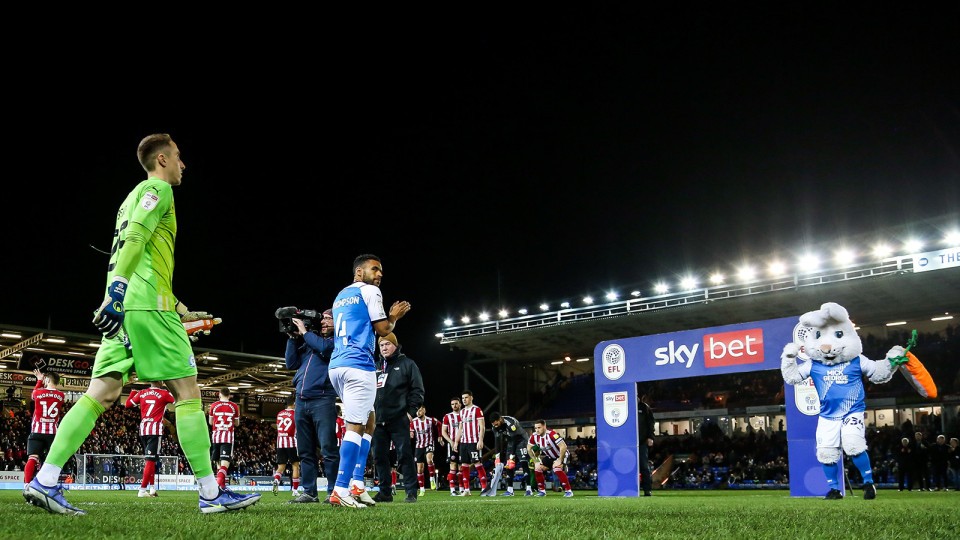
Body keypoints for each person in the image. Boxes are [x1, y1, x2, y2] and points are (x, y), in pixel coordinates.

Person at [23, 134, 259, 516]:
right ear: (162, 159)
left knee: (99, 394)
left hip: (130, 309)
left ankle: (45, 479)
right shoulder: (158, 189)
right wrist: (118, 291)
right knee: (188, 393)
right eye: (179, 157)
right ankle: (210, 493)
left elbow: (142, 257)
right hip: (147, 307)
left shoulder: (128, 200)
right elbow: (136, 238)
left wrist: (179, 309)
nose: (183, 164)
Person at [328, 254, 411, 509]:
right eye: (375, 269)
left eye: (381, 270)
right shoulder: (370, 291)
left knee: (369, 420)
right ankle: (341, 489)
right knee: (355, 425)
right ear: (359, 272)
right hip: (358, 365)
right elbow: (383, 329)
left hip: (337, 365)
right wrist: (394, 316)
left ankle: (357, 484)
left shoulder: (341, 295)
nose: (379, 274)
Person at [284, 310, 339, 505]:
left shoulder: (338, 341)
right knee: (305, 451)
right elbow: (291, 363)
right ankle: (309, 492)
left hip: (322, 399)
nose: (323, 322)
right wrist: (292, 339)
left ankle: (334, 491)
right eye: (322, 318)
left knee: (328, 449)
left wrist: (305, 332)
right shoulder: (311, 342)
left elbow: (324, 348)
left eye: (328, 318)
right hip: (301, 400)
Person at [371, 332, 424, 503]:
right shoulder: (376, 366)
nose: (384, 348)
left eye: (387, 344)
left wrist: (410, 413)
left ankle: (411, 491)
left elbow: (418, 390)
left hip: (399, 418)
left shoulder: (407, 364)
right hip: (378, 419)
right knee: (379, 457)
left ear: (395, 345)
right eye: (381, 345)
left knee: (404, 455)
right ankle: (385, 492)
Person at [124, 381, 176, 497]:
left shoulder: (142, 393)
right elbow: (177, 401)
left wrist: (133, 392)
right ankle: (142, 491)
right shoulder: (164, 393)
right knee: (150, 460)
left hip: (143, 430)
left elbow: (127, 405)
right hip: (155, 431)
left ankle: (152, 489)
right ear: (160, 382)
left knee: (150, 460)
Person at [23, 369, 64, 485]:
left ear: (47, 380)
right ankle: (48, 485)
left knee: (32, 458)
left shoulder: (38, 392)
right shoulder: (61, 395)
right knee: (51, 462)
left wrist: (39, 380)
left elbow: (33, 396)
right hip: (52, 434)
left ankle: (27, 485)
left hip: (37, 432)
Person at [485, 411, 531, 496]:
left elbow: (514, 438)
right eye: (494, 425)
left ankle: (529, 489)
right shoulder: (494, 426)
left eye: (496, 424)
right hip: (510, 442)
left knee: (524, 463)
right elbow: (497, 441)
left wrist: (511, 457)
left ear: (500, 419)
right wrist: (497, 457)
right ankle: (510, 490)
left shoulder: (510, 423)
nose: (495, 426)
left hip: (521, 440)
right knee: (509, 466)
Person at [527, 419, 574, 497]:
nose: (537, 430)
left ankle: (568, 491)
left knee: (556, 468)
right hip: (550, 457)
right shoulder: (534, 436)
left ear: (544, 427)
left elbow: (563, 446)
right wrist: (535, 461)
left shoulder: (552, 434)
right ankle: (542, 491)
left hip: (562, 455)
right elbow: (529, 448)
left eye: (539, 427)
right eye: (535, 428)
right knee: (538, 468)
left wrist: (560, 460)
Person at [453, 390, 487, 496]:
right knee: (464, 465)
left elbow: (482, 426)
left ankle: (484, 488)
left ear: (471, 398)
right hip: (464, 442)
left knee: (477, 463)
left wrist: (480, 440)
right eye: (463, 398)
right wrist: (456, 442)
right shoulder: (462, 412)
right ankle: (467, 490)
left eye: (466, 397)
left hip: (473, 441)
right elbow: (460, 428)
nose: (464, 400)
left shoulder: (477, 410)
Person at [208, 387, 241, 489]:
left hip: (216, 437)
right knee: (224, 464)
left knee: (218, 463)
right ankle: (218, 486)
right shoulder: (234, 406)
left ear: (219, 394)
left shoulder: (213, 405)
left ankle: (222, 487)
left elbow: (210, 422)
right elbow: (237, 423)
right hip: (227, 437)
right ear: (229, 395)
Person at [272, 396, 300, 497]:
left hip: (280, 442)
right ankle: (295, 490)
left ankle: (276, 480)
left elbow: (278, 427)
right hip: (291, 442)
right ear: (294, 403)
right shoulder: (296, 414)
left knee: (281, 467)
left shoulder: (279, 414)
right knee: (295, 466)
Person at [411, 405, 439, 494]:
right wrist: (411, 434)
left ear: (424, 411)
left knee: (429, 460)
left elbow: (440, 425)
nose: (418, 412)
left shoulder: (430, 420)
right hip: (419, 446)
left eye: (420, 410)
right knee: (419, 469)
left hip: (429, 443)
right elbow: (411, 432)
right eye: (417, 411)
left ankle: (432, 478)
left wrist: (440, 436)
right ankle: (422, 489)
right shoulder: (413, 421)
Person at [441, 396, 463, 495]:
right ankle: (452, 490)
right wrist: (450, 441)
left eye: (456, 404)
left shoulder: (464, 414)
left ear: (460, 404)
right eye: (452, 404)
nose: (454, 406)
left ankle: (462, 489)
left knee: (462, 466)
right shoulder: (447, 416)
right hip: (452, 444)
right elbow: (443, 431)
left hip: (463, 443)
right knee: (453, 465)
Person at [637, 393, 656, 496]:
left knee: (644, 466)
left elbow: (651, 423)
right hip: (628, 443)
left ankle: (647, 489)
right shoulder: (625, 406)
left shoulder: (644, 407)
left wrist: (650, 437)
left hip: (642, 441)